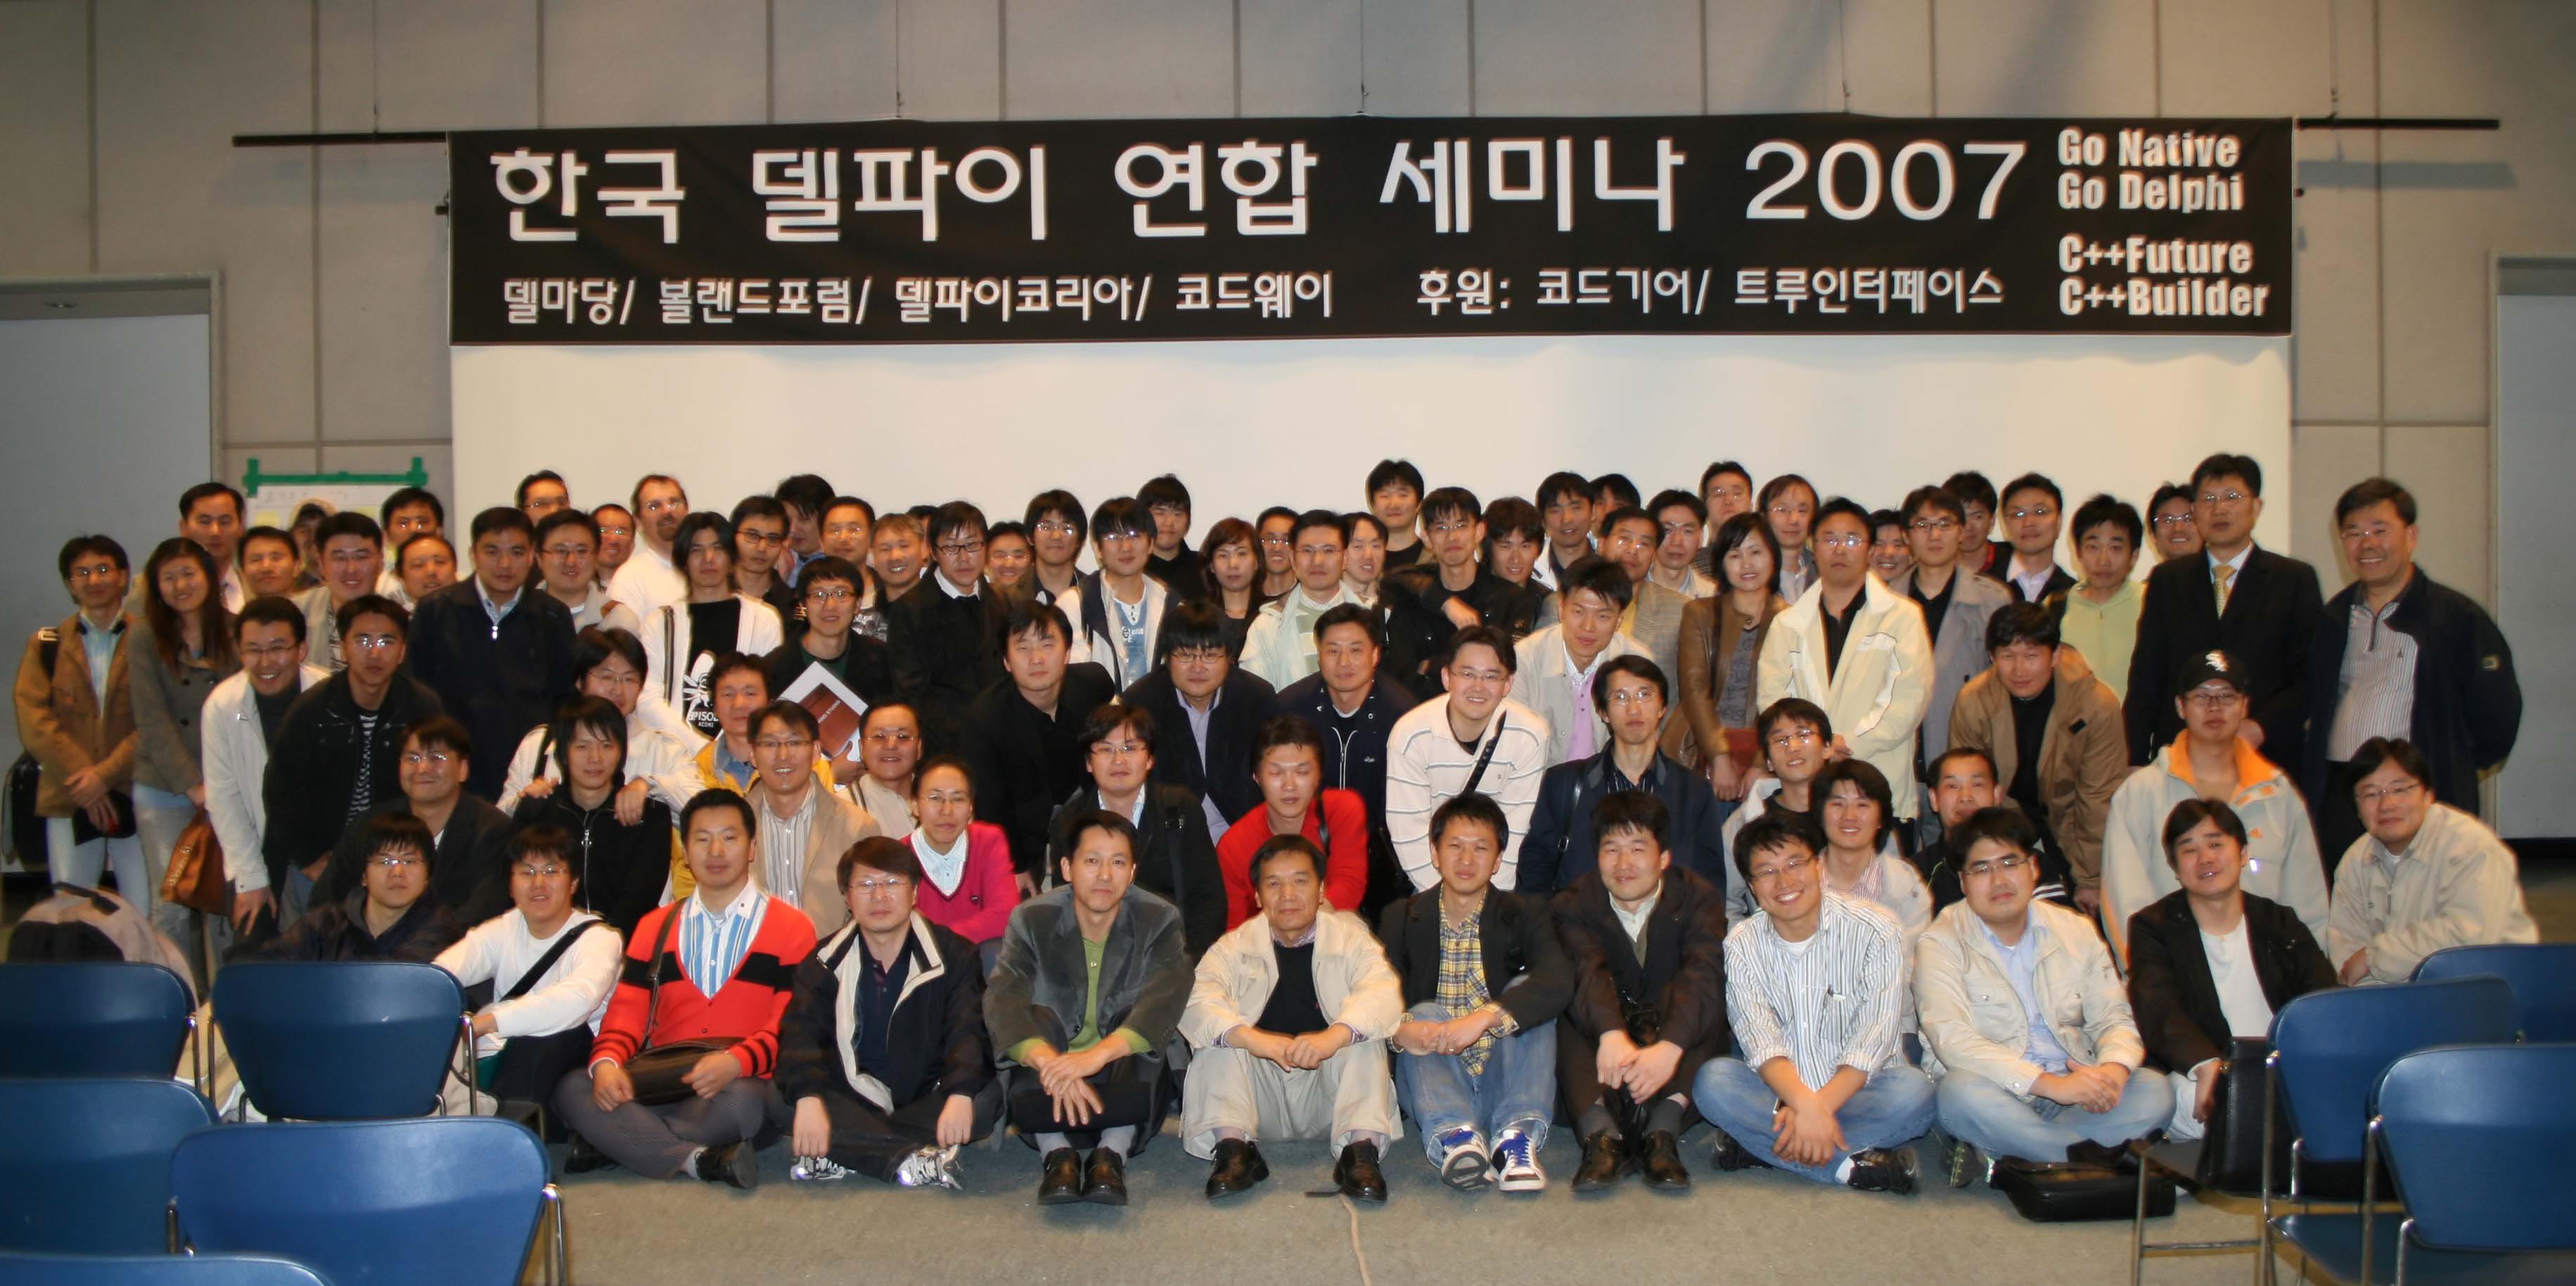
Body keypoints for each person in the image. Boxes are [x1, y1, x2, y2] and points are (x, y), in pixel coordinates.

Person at [557, 789, 818, 1190]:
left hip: (739, 1080)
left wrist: (736, 1061)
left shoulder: (791, 927)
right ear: (685, 851)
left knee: (746, 1103)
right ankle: (695, 1158)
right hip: (662, 1078)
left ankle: (619, 1142)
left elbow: (791, 1025)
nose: (716, 851)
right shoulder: (654, 927)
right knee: (575, 1087)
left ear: (752, 848)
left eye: (729, 837)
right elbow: (627, 1011)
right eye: (702, 839)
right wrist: (608, 1063)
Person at [1917, 806, 2172, 1181]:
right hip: (2000, 1091)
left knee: (2155, 1089)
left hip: (2077, 1089)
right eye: (1982, 869)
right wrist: (2051, 1086)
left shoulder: (2076, 930)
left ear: (2033, 868)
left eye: (2009, 863)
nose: (1999, 879)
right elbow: (1953, 1040)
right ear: (1963, 882)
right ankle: (2093, 1161)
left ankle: (2027, 1156)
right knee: (1957, 1093)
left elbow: (2114, 1017)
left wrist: (2113, 1070)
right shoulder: (1939, 942)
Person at [1693, 810, 1932, 1193]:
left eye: (1795, 864)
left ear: (1818, 865)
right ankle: (1849, 1168)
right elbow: (1760, 1042)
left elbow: (1874, 1038)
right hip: (1779, 1095)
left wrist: (1815, 1110)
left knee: (1915, 1092)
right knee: (1714, 1081)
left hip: (1860, 1092)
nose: (1784, 881)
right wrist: (1803, 1104)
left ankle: (1762, 1147)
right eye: (1767, 872)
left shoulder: (1877, 928)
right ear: (1752, 887)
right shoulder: (1741, 944)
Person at [2301, 478, 2520, 872]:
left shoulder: (2455, 618)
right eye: (2354, 533)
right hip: (2342, 793)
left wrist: (2450, 765)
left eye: (2380, 530)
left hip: (2419, 795)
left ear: (2411, 536)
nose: (2367, 544)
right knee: (2347, 896)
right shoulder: (2332, 619)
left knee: (2422, 896)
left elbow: (2497, 716)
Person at [985, 810, 1192, 1207]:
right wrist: (1050, 1063)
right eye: (1092, 861)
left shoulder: (1159, 918)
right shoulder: (1032, 918)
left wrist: (1096, 1057)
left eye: (1118, 862)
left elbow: (1165, 998)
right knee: (1036, 1019)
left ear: (1132, 873)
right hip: (1049, 1080)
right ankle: (1057, 1156)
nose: (1105, 875)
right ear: (1066, 868)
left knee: (1138, 1021)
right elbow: (1003, 996)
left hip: (1122, 1077)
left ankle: (1110, 1156)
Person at [1183, 834, 1403, 1202]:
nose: (1287, 894)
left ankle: (1360, 1154)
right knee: (1217, 1035)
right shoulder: (1232, 947)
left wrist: (1333, 1037)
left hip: (1332, 1097)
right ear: (1257, 896)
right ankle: (1234, 1152)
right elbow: (1196, 1000)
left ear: (1321, 891)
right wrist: (1253, 1039)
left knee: (1363, 1034)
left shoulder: (1352, 939)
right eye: (1273, 884)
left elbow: (1383, 994)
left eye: (1300, 881)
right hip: (1255, 1102)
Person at [778, 836, 997, 1188]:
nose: (879, 896)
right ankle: (909, 1160)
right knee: (784, 1099)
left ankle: (844, 1149)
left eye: (892, 883)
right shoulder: (823, 960)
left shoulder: (955, 954)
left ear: (915, 892)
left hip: (925, 1095)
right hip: (851, 1096)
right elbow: (800, 1033)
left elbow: (968, 1031)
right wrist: (808, 1098)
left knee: (983, 1101)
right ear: (847, 897)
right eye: (865, 885)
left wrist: (959, 1093)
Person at [1378, 793, 1570, 1192]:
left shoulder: (1525, 913)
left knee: (1527, 993)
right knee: (1423, 1012)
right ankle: (1456, 1137)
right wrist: (1398, 1032)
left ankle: (1514, 1139)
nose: (1467, 860)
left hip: (1505, 1077)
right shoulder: (1401, 916)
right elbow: (1376, 994)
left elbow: (1558, 979)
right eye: (1455, 846)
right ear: (1435, 853)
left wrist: (1486, 1017)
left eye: (1481, 848)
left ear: (1498, 860)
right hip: (1435, 1081)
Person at [2124, 799, 2335, 1141]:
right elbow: (2158, 1008)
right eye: (2189, 850)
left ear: (2243, 853)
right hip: (2201, 1071)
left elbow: (2321, 996)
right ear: (2175, 867)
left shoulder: (2279, 922)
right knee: (2197, 1105)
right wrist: (2205, 1063)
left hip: (2283, 1065)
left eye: (2216, 844)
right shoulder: (2153, 928)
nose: (2205, 858)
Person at [2099, 651, 2329, 964]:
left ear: (2245, 706)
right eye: (2201, 696)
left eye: (2226, 696)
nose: (2214, 707)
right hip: (2175, 975)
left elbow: (2309, 903)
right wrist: (2151, 978)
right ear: (2180, 706)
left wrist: (2309, 976)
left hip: (2268, 976)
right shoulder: (2140, 793)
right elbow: (2124, 902)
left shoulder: (2278, 794)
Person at [1552, 791, 1729, 1192]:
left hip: (1673, 1043)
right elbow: (1586, 972)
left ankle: (1661, 1134)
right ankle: (1600, 1136)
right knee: (1566, 1004)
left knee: (1704, 1001)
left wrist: (1670, 1047)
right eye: (1611, 849)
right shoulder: (1572, 903)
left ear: (1664, 857)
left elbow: (1701, 974)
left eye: (1637, 849)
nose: (1624, 864)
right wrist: (1610, 1033)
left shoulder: (1699, 897)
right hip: (1607, 1050)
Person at [2126, 453, 2324, 770]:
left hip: (2266, 757)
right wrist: (2135, 758)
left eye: (2232, 497)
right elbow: (2146, 677)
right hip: (2181, 758)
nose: (2219, 509)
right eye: (2208, 499)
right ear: (2195, 511)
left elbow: (2309, 677)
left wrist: (2258, 728)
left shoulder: (2293, 579)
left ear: (2256, 507)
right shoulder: (2168, 580)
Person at [259, 595, 444, 929]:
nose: (374, 653)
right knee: (313, 945)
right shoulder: (312, 709)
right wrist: (308, 858)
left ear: (402, 651)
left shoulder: (422, 707)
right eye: (362, 641)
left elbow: (439, 784)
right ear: (343, 648)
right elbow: (280, 789)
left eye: (386, 641)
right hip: (320, 856)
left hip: (397, 858)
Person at [1757, 498, 1935, 831]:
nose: (1840, 549)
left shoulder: (1902, 617)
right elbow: (1774, 702)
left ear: (1870, 550)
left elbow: (1908, 700)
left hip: (1879, 782)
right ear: (1814, 547)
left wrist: (1844, 744)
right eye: (1830, 539)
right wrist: (1816, 748)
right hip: (1806, 790)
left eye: (1852, 540)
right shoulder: (1787, 623)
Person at [1947, 602, 2128, 914]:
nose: (2019, 670)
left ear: (2055, 655)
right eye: (2007, 656)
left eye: (2031, 656)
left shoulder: (2096, 705)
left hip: (2071, 822)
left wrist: (2090, 878)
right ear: (1992, 657)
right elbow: (1971, 789)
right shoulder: (1974, 701)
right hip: (2003, 822)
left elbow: (2097, 798)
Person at [433, 827, 623, 1115]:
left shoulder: (600, 939)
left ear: (573, 882)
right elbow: (442, 976)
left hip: (572, 1059)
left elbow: (577, 999)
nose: (538, 883)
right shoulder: (504, 928)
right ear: (511, 886)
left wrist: (488, 1022)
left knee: (542, 1042)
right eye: (527, 872)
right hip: (503, 1055)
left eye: (551, 871)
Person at [2325, 737, 2539, 984]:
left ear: (2428, 795)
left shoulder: (2471, 846)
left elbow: (2468, 939)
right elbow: (2346, 956)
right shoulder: (2355, 861)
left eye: (2400, 789)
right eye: (2371, 794)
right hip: (2398, 999)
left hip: (2488, 989)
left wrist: (2374, 958)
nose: (2387, 804)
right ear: (2357, 807)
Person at [408, 507, 579, 800]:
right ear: (473, 554)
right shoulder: (435, 611)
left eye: (516, 552)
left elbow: (564, 699)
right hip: (452, 768)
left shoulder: (552, 616)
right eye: (492, 551)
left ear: (532, 556)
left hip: (530, 774)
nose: (504, 564)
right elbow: (417, 693)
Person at [126, 538, 241, 955]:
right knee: (171, 905)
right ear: (156, 587)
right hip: (164, 787)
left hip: (228, 784)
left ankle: (225, 995)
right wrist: (193, 786)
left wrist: (221, 785)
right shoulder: (143, 636)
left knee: (222, 903)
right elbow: (151, 719)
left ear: (209, 577)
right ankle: (176, 992)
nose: (180, 586)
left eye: (188, 574)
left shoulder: (235, 630)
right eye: (169, 578)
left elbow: (245, 709)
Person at [1522, 656, 1726, 891]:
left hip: (1666, 914)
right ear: (1603, 712)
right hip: (1580, 913)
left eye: (1644, 695)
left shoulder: (1693, 790)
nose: (1634, 709)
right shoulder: (1564, 783)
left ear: (1662, 708)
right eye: (1620, 697)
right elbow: (1535, 872)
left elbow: (1709, 885)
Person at [17, 536, 143, 902]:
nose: (94, 580)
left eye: (103, 569)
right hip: (70, 793)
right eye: (82, 573)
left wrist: (104, 776)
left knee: (145, 909)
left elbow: (156, 721)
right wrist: (87, 780)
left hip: (137, 789)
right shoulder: (47, 644)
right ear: (70, 585)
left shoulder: (151, 641)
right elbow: (35, 721)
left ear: (123, 576)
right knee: (71, 907)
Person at [963, 600, 1118, 889]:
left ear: (1067, 653)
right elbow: (992, 803)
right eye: (1023, 648)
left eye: (1047, 645)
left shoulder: (1092, 685)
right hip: (1022, 836)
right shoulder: (984, 718)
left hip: (1086, 820)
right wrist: (1014, 866)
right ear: (1006, 661)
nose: (1036, 658)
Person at [1276, 604, 1418, 915]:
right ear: (1319, 655)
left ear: (1375, 655)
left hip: (1381, 853)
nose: (1344, 662)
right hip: (1304, 846)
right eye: (1333, 650)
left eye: (1356, 650)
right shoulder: (1291, 708)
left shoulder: (1403, 715)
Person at [1049, 704, 1225, 957]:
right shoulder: (1069, 822)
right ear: (1089, 762)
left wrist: (1186, 963)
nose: (1118, 760)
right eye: (1106, 749)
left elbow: (1207, 898)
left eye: (1130, 748)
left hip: (1173, 951)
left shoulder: (1179, 808)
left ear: (1150, 758)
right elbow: (1063, 906)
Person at [1385, 628, 1551, 891]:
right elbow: (1409, 834)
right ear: (1446, 677)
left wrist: (1487, 903)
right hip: (1430, 881)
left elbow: (1514, 834)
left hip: (1495, 885)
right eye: (1467, 674)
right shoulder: (1411, 735)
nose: (1478, 687)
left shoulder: (1530, 735)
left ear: (1508, 684)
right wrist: (1448, 900)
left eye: (1491, 676)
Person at [204, 596, 329, 938]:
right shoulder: (222, 705)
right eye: (253, 650)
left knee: (324, 949)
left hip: (319, 853)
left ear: (301, 649)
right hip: (256, 846)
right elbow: (223, 798)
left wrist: (327, 859)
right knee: (254, 948)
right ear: (239, 651)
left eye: (277, 648)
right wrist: (251, 877)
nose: (265, 662)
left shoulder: (329, 695)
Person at [311, 718, 515, 921]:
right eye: (413, 758)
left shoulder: (493, 831)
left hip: (457, 940)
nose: (422, 768)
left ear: (463, 769)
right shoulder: (371, 825)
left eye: (436, 758)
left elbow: (484, 911)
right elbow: (326, 901)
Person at [508, 696, 678, 938]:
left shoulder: (650, 816)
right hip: (546, 942)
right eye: (582, 746)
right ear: (563, 753)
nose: (595, 758)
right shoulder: (538, 811)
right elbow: (516, 884)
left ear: (621, 753)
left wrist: (602, 943)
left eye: (606, 745)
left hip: (624, 945)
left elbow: (640, 900)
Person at [1893, 487, 2011, 823]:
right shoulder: (1885, 602)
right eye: (1923, 525)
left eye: (1945, 524)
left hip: (1964, 768)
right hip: (1900, 761)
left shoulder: (1993, 601)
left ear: (1961, 531)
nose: (1934, 535)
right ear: (1907, 536)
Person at [496, 625, 703, 816]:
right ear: (580, 681)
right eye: (606, 677)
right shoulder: (540, 744)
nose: (618, 690)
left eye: (629, 679)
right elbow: (499, 822)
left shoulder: (664, 751)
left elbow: (704, 810)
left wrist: (650, 785)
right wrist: (524, 803)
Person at [1122, 600, 1277, 841]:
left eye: (1210, 656)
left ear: (1229, 658)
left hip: (1246, 833)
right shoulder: (1140, 703)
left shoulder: (1257, 698)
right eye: (1185, 655)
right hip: (1169, 839)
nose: (1197, 667)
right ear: (1167, 658)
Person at [638, 511, 786, 744]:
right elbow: (648, 698)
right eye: (696, 550)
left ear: (732, 557)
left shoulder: (763, 619)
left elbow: (770, 692)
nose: (708, 558)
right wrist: (698, 747)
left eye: (718, 548)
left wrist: (728, 749)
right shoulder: (660, 623)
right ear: (683, 561)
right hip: (674, 753)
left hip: (745, 752)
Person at [1672, 513, 1787, 805]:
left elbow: (1790, 698)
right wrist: (1719, 757)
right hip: (1705, 750)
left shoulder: (1792, 620)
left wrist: (1761, 763)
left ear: (1773, 557)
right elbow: (1694, 690)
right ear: (1722, 563)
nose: (1746, 564)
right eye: (1735, 555)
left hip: (1772, 753)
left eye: (1756, 552)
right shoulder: (1700, 613)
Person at [1214, 717, 1368, 929]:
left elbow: (1349, 883)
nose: (1289, 785)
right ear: (1256, 776)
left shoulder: (1342, 809)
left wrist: (1299, 930)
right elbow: (1237, 926)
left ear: (1319, 775)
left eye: (1302, 772)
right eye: (1276, 773)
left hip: (1335, 931)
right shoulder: (1234, 845)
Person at [745, 701, 881, 937]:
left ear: (816, 751)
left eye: (795, 743)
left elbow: (871, 913)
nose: (783, 755)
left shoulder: (857, 826)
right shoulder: (734, 827)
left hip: (830, 957)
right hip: (752, 956)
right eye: (770, 744)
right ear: (753, 755)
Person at [255, 810, 464, 962]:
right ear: (364, 875)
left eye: (409, 861)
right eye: (385, 861)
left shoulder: (441, 929)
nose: (397, 871)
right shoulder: (327, 922)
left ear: (427, 874)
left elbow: (397, 983)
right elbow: (266, 965)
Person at [886, 502, 1008, 746]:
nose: (964, 558)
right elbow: (913, 691)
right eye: (951, 547)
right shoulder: (909, 610)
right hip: (943, 744)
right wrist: (963, 736)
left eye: (972, 545)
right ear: (933, 551)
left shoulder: (1001, 601)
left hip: (999, 737)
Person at [763, 555, 896, 774]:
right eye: (818, 595)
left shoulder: (883, 660)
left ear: (858, 604)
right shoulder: (773, 668)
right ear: (803, 604)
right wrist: (829, 773)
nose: (830, 605)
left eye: (841, 594)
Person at [1511, 559, 1647, 768]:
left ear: (1619, 620)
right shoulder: (1525, 660)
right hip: (1539, 781)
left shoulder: (1636, 663)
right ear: (1561, 609)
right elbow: (1514, 746)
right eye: (1578, 612)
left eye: (1603, 616)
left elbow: (1641, 745)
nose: (1588, 627)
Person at [1911, 747, 2072, 912]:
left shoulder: (2029, 864)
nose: (1966, 797)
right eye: (1952, 786)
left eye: (1977, 784)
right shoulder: (1915, 873)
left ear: (1997, 795)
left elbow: (2053, 924)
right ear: (1934, 799)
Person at [905, 756, 1023, 957]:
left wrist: (941, 940)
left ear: (971, 808)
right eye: (935, 798)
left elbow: (1005, 914)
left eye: (958, 799)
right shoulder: (900, 856)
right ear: (915, 805)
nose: (947, 811)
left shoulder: (988, 841)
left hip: (978, 958)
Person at [1812, 759, 1934, 951]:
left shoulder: (1906, 887)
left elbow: (1912, 961)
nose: (1849, 816)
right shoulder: (1796, 881)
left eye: (1862, 805)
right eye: (1837, 804)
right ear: (1820, 815)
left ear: (1881, 819)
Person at [1057, 496, 1172, 690]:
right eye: (1113, 537)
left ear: (1151, 544)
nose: (1125, 547)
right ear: (1098, 548)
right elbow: (1070, 675)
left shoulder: (1171, 604)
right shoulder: (1074, 604)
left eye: (1134, 535)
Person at [1239, 509, 1360, 689]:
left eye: (1328, 550)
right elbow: (1255, 696)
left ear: (1345, 559)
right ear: (1293, 559)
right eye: (1307, 551)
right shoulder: (1267, 625)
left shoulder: (1372, 615)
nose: (1318, 561)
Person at [2058, 495, 2146, 701]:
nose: (2103, 560)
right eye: (2093, 547)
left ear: (2133, 556)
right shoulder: (2055, 608)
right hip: (2077, 722)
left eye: (2116, 548)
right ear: (2078, 553)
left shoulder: (2151, 603)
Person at [1604, 506, 1689, 688]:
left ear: (1654, 556)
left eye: (1644, 544)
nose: (1632, 550)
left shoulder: (1680, 611)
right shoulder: (1565, 603)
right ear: (1602, 543)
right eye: (1624, 539)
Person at [291, 510, 386, 669]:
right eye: (340, 558)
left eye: (361, 557)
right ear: (321, 564)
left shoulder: (397, 619)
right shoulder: (295, 614)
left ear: (381, 562)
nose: (351, 569)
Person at [604, 473, 689, 620]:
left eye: (674, 503)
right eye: (654, 506)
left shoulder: (707, 568)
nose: (667, 511)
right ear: (638, 522)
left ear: (687, 511)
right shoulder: (629, 579)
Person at [1474, 497, 1553, 639]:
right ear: (1488, 548)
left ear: (1539, 549)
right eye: (1506, 546)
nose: (1516, 559)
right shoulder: (1468, 590)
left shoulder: (1545, 602)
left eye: (1526, 546)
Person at [840, 701, 921, 836]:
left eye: (903, 737)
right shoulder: (840, 810)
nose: (891, 745)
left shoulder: (945, 801)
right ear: (862, 748)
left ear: (919, 747)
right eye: (879, 736)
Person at [1995, 473, 2077, 604]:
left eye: (2040, 512)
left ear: (2059, 521)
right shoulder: (1985, 585)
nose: (2028, 523)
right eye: (2018, 514)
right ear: (2005, 524)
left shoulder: (2074, 596)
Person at [170, 481, 249, 611]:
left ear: (241, 527)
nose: (215, 532)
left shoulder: (257, 586)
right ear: (184, 528)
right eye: (205, 522)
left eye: (225, 522)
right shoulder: (152, 586)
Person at [1196, 518, 1267, 661]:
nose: (1233, 564)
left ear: (1257, 561)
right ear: (1211, 565)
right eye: (1223, 555)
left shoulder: (1272, 615)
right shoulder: (1196, 616)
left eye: (1242, 554)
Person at [534, 509, 616, 631]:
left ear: (596, 556)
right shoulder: (518, 615)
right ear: (539, 558)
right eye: (561, 551)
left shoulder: (617, 618)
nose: (571, 562)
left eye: (581, 551)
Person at [728, 495, 800, 619]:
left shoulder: (793, 607)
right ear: (733, 536)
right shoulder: (713, 593)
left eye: (772, 539)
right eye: (752, 536)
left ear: (784, 543)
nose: (762, 548)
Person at [1689, 461, 1757, 580]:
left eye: (1737, 493)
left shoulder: (1766, 562)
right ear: (1704, 507)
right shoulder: (1691, 567)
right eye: (1718, 494)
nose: (1728, 500)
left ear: (1751, 506)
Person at [1137, 473, 1204, 594]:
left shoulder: (1205, 569)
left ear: (1188, 522)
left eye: (1177, 514)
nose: (1169, 522)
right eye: (1160, 513)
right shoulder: (1132, 568)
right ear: (1143, 518)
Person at [1757, 473, 1819, 601]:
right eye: (1782, 510)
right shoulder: (1750, 573)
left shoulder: (1823, 572)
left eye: (1802, 511)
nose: (1793, 520)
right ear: (1763, 516)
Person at [1024, 490, 1089, 606]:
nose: (1056, 536)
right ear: (1029, 537)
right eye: (1045, 527)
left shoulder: (1097, 594)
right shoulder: (1008, 598)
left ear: (1080, 540)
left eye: (1067, 528)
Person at [773, 473, 838, 588]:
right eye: (787, 520)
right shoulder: (772, 560)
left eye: (804, 519)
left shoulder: (843, 564)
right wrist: (780, 578)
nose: (793, 529)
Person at [1534, 471, 1596, 590]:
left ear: (1593, 512)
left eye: (1576, 508)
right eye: (1555, 511)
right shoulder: (1529, 569)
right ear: (1542, 520)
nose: (1567, 519)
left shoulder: (1611, 563)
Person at [1942, 470, 2005, 581]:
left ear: (1992, 521)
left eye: (1977, 517)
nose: (1968, 527)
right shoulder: (1935, 567)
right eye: (1960, 517)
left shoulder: (2013, 567)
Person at [1368, 458, 1430, 565]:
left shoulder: (1435, 561)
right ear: (1372, 504)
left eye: (1403, 495)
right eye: (1384, 496)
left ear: (1419, 503)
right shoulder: (1362, 562)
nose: (1394, 504)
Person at [871, 511, 930, 603]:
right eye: (885, 549)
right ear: (873, 556)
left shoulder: (948, 609)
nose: (895, 557)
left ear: (924, 549)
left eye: (904, 546)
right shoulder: (860, 610)